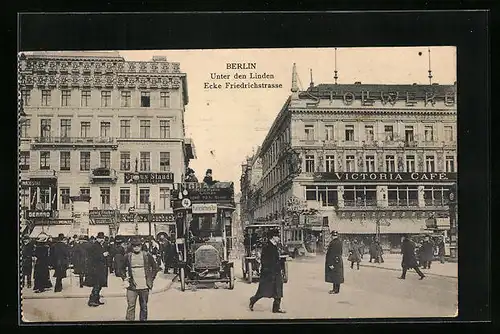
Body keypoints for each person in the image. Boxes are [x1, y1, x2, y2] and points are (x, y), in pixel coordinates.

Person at [121, 237, 158, 321]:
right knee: (131, 306)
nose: (136, 247)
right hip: (132, 286)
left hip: (144, 286)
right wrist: (124, 278)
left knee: (144, 307)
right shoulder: (128, 256)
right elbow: (121, 268)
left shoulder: (146, 255)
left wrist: (151, 278)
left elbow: (155, 267)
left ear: (141, 246)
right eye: (134, 246)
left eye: (138, 246)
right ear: (132, 247)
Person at [249, 230, 285, 313]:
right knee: (263, 290)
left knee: (278, 290)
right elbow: (264, 260)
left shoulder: (276, 246)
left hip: (276, 271)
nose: (279, 238)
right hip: (268, 273)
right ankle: (253, 300)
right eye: (277, 236)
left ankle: (276, 308)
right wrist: (267, 270)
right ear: (273, 237)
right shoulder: (267, 246)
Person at [86, 232, 109, 307]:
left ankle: (96, 299)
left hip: (101, 268)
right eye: (100, 238)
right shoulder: (94, 246)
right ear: (97, 238)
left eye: (102, 238)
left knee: (99, 285)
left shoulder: (100, 245)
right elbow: (93, 257)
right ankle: (92, 300)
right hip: (96, 269)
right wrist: (103, 255)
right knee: (97, 285)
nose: (102, 240)